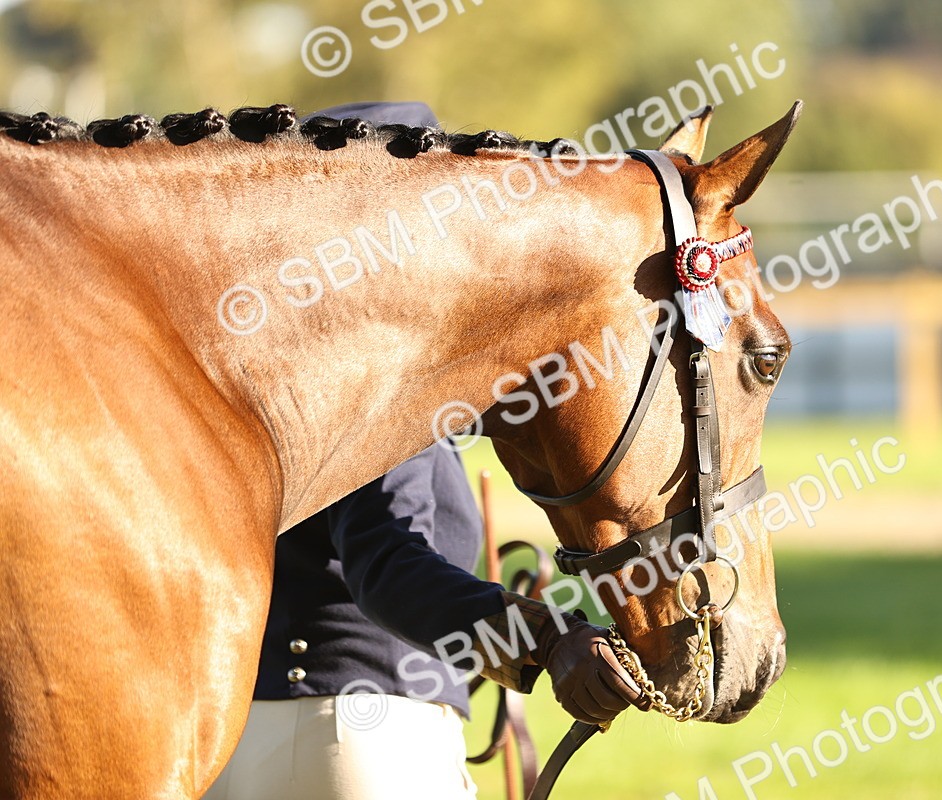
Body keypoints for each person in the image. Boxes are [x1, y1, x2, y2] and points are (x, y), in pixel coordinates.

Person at [204, 103, 641, 800]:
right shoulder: (377, 369)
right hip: (366, 735)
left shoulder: (256, 354)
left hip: (239, 737)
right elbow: (386, 567)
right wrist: (547, 639)